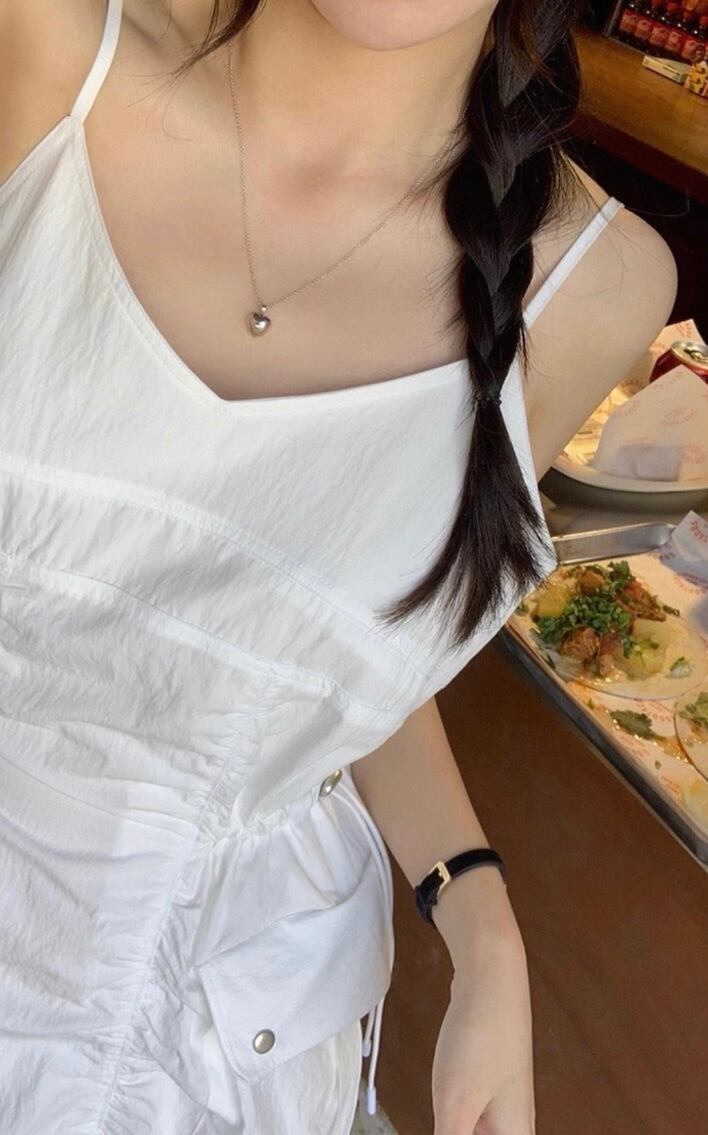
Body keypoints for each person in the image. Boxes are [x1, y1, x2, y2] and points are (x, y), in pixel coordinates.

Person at [0, 2, 676, 1133]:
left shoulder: (594, 287)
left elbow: (328, 661)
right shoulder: (45, 53)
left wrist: (483, 922)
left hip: (205, 1060)